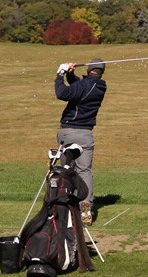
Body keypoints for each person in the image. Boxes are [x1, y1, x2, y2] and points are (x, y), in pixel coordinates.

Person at [54, 59, 107, 226]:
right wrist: (70, 74)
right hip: (85, 135)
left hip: (68, 133)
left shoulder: (84, 86)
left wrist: (59, 74)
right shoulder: (99, 87)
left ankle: (65, 208)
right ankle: (86, 207)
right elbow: (79, 86)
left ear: (90, 69)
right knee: (84, 171)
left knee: (67, 171)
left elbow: (62, 93)